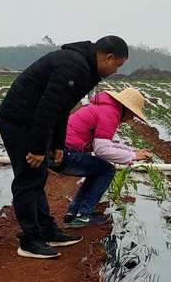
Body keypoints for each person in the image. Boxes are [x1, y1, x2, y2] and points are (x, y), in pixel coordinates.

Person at [0, 36, 129, 259]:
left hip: (32, 122)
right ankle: (30, 240)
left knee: (37, 178)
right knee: (27, 179)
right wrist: (38, 148)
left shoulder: (85, 68)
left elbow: (63, 107)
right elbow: (48, 106)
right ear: (109, 57)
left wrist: (57, 143)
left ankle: (46, 230)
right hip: (18, 122)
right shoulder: (73, 65)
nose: (116, 70)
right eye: (118, 65)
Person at [57, 87, 152, 226]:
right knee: (108, 170)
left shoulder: (104, 108)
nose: (131, 119)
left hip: (60, 150)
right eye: (133, 115)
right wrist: (132, 156)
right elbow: (102, 150)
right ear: (127, 109)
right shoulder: (111, 113)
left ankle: (74, 213)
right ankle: (83, 215)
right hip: (64, 153)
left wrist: (132, 151)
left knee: (96, 170)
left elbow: (105, 143)